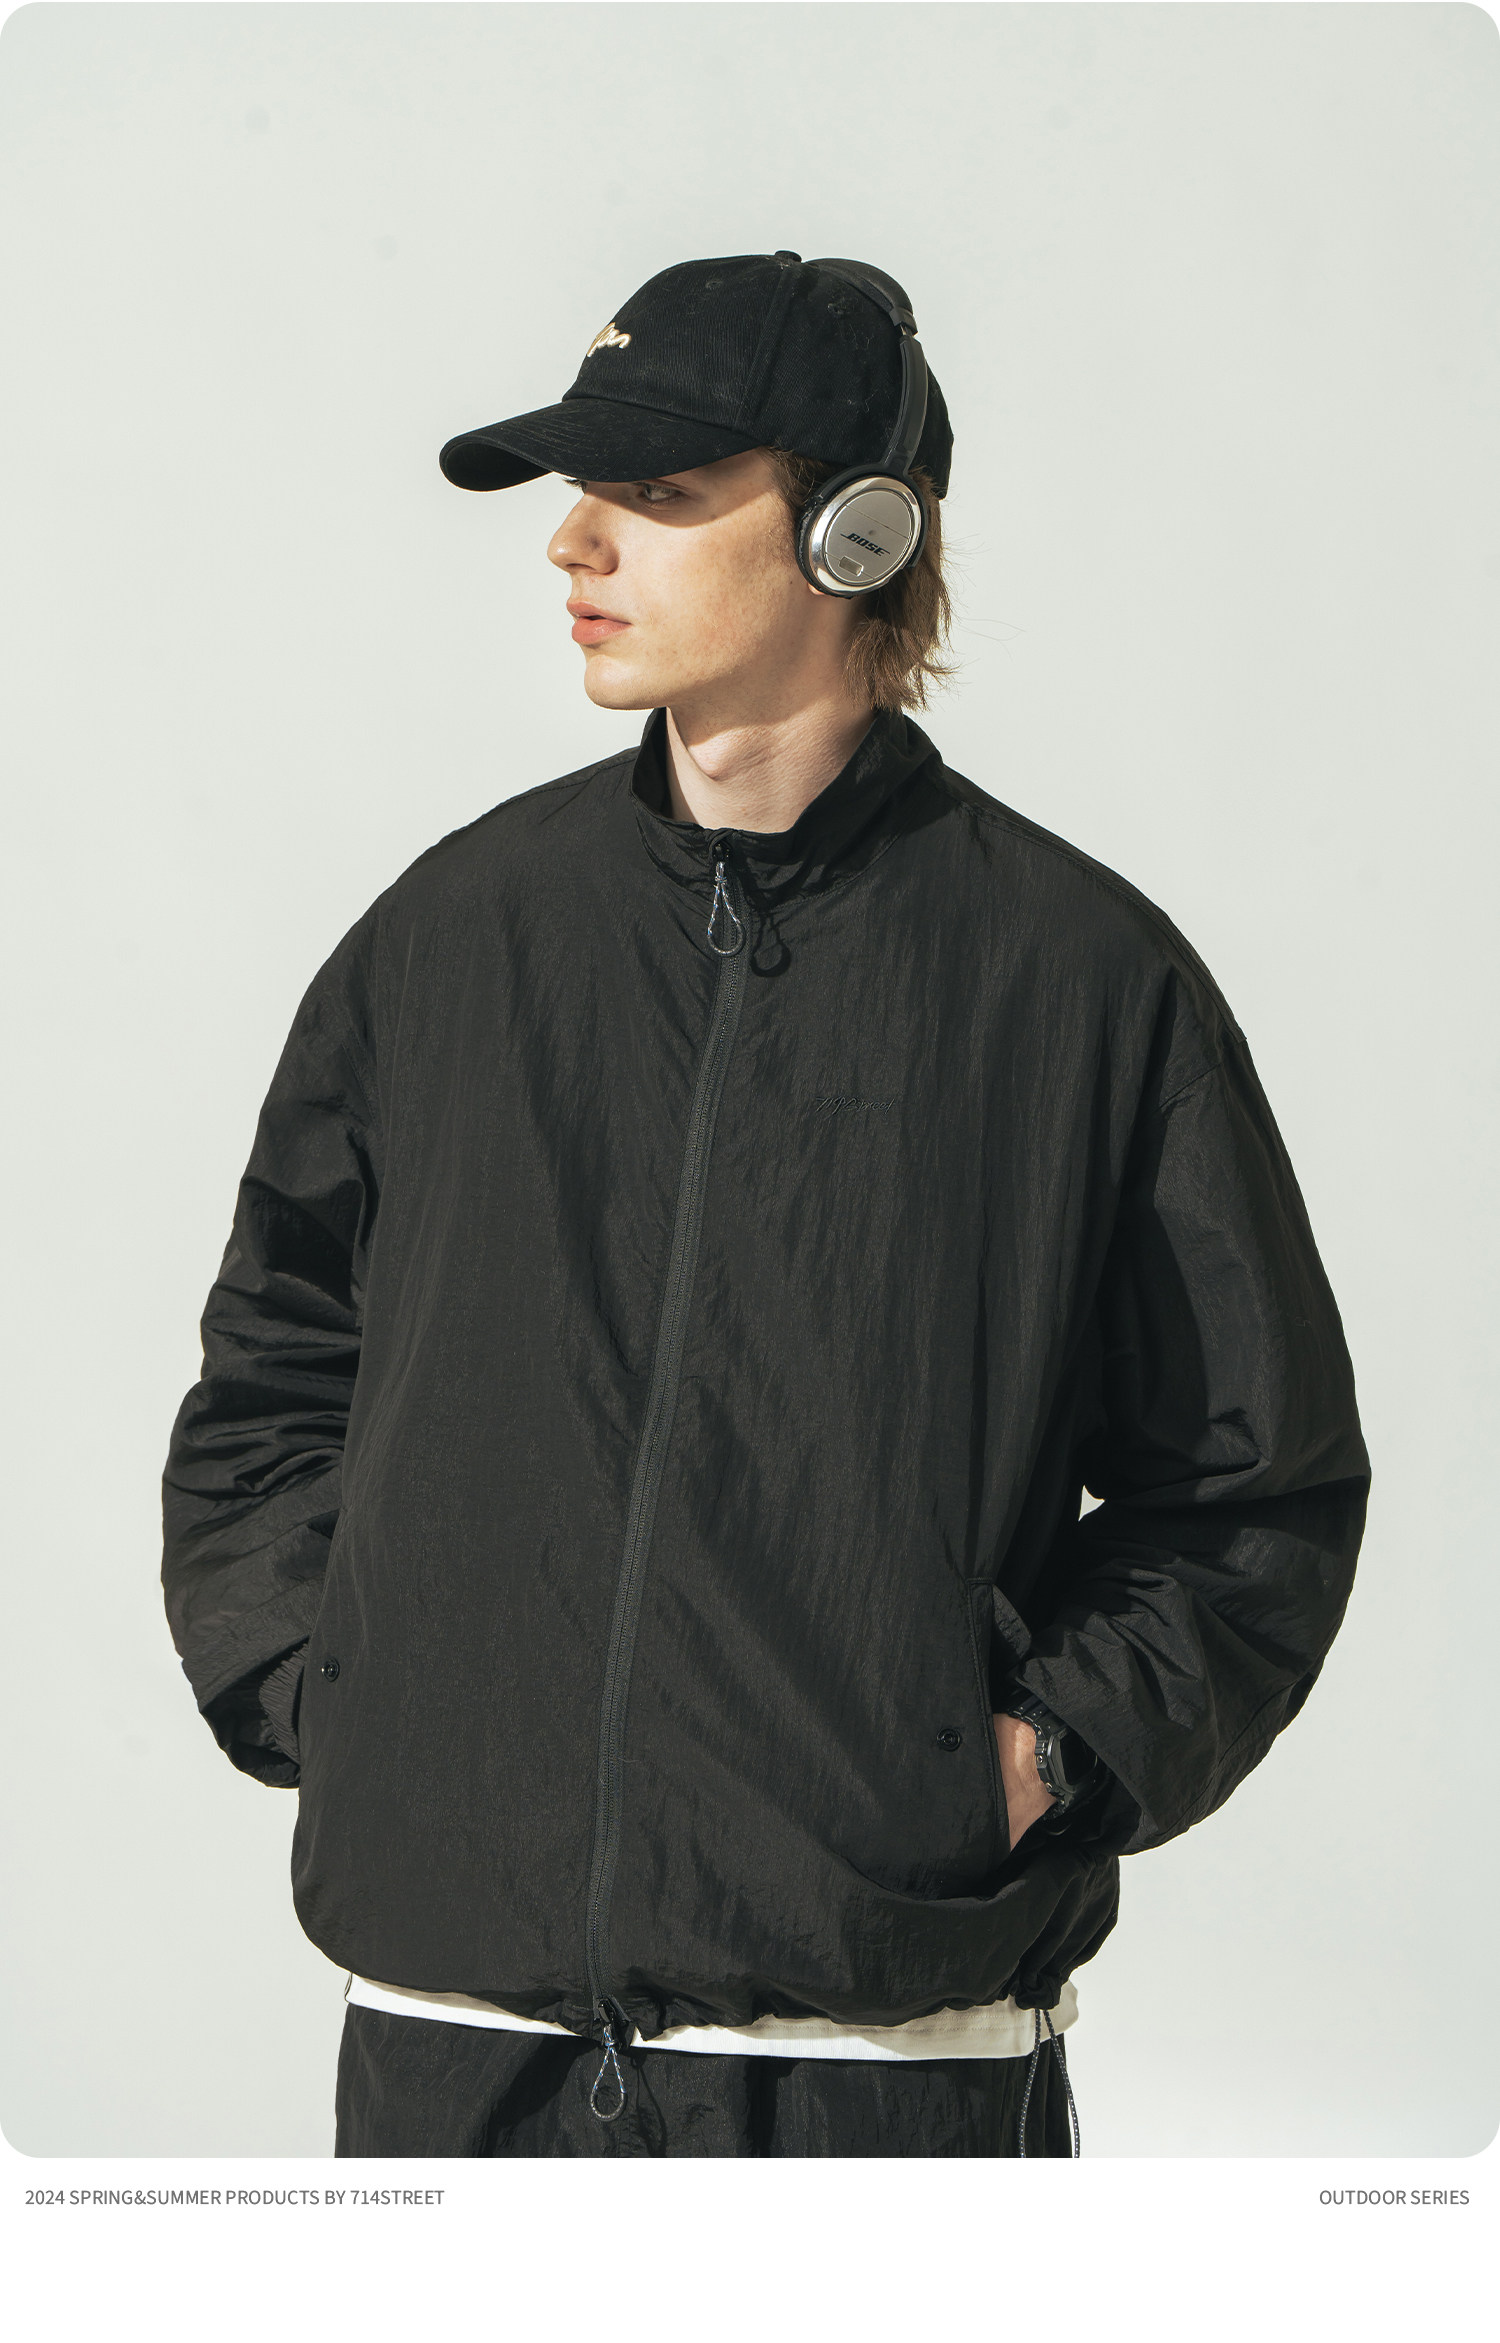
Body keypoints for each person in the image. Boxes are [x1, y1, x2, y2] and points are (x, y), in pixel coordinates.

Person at [160, 251, 1369, 2159]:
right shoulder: (453, 940)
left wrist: (1026, 1763)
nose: (574, 543)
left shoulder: (1080, 983)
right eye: (583, 491)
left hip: (878, 2077)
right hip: (453, 2057)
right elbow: (275, 1374)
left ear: (854, 533)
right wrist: (346, 1708)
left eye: (656, 493)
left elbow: (1251, 1490)